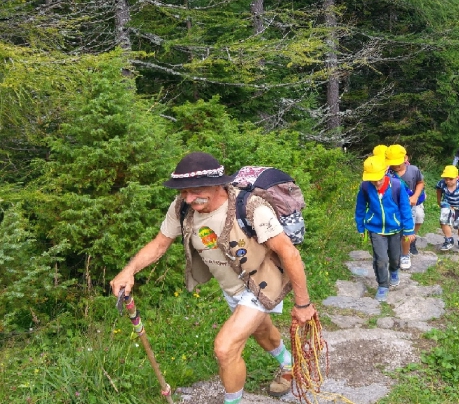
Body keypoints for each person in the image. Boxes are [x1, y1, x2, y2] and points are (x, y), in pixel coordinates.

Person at [109, 152, 316, 404]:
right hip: (233, 286)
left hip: (263, 280)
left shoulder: (250, 207)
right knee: (261, 330)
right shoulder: (182, 207)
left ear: (218, 184)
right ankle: (289, 364)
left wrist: (303, 304)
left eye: (196, 190)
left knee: (225, 348)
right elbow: (160, 244)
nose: (188, 198)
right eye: (183, 191)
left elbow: (289, 253)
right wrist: (129, 270)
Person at [355, 155, 415, 302]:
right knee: (380, 258)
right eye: (373, 179)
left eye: (379, 178)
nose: (376, 182)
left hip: (395, 228)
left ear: (385, 171)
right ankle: (382, 285)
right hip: (375, 229)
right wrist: (361, 226)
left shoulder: (397, 185)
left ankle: (394, 271)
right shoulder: (365, 187)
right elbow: (360, 208)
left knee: (395, 257)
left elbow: (405, 208)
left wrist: (408, 229)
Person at [385, 144, 425, 271]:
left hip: (409, 206)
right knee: (394, 230)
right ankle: (393, 252)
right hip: (393, 207)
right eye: (392, 162)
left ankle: (405, 255)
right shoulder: (387, 173)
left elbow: (420, 183)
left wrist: (415, 197)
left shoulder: (413, 170)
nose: (395, 165)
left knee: (407, 230)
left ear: (405, 158)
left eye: (398, 161)